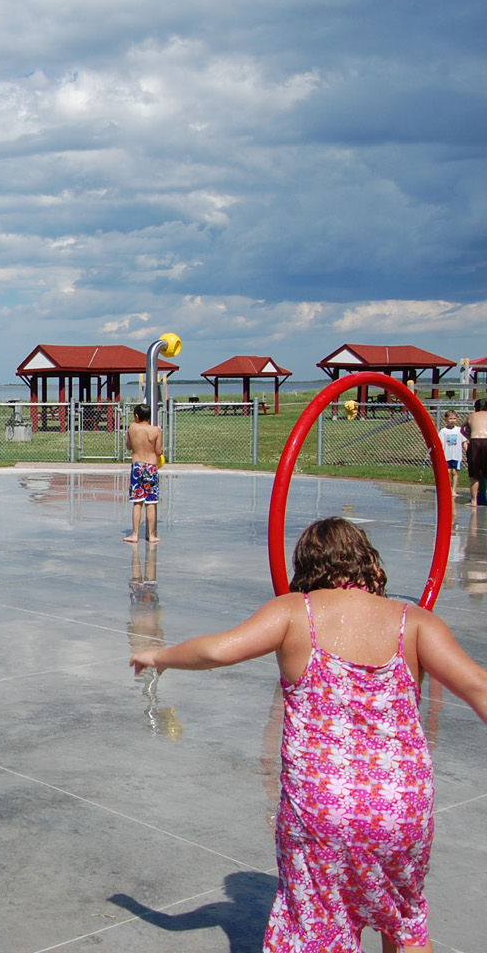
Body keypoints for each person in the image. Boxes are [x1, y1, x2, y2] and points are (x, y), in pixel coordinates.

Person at [131, 518, 487, 951]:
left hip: (322, 810)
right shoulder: (415, 622)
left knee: (320, 926)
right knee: (405, 923)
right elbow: (477, 687)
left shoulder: (293, 612)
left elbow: (215, 651)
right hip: (400, 808)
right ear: (367, 560)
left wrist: (161, 656)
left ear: (305, 565)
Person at [124, 403, 163, 543]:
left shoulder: (132, 428)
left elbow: (129, 446)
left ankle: (135, 534)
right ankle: (151, 535)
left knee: (137, 502)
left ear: (137, 416)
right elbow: (159, 451)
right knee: (151, 502)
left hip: (137, 466)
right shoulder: (155, 431)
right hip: (151, 466)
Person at [438, 410, 466, 497]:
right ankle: (447, 489)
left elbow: (464, 442)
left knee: (454, 472)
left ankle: (453, 490)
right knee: (447, 472)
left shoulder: (459, 430)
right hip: (446, 456)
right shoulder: (443, 431)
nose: (452, 420)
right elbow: (440, 444)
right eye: (450, 418)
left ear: (457, 419)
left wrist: (468, 451)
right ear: (446, 420)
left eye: (454, 418)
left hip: (456, 456)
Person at [467, 399, 487, 506]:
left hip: (475, 441)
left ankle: (474, 501)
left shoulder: (472, 416)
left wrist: (469, 438)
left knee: (474, 475)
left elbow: (462, 429)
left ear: (476, 408)